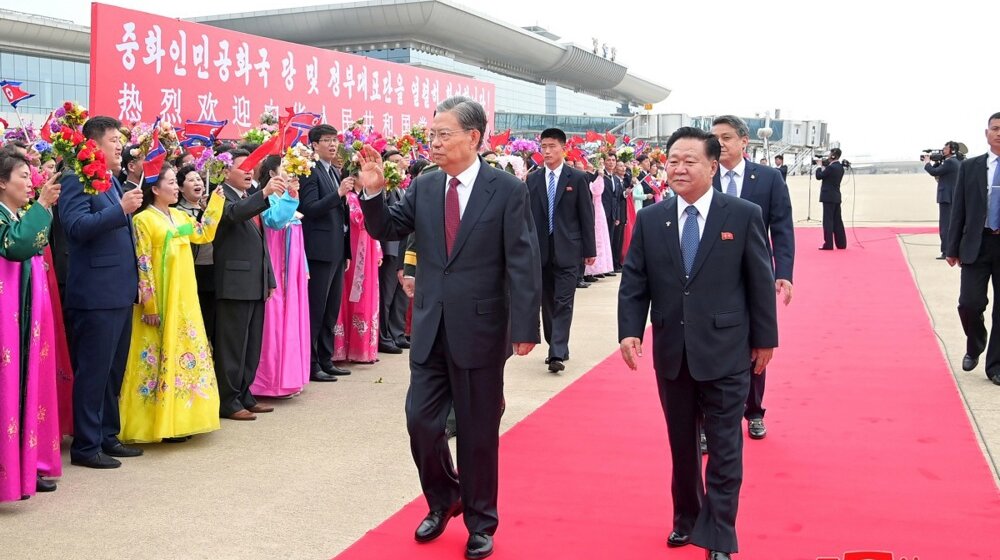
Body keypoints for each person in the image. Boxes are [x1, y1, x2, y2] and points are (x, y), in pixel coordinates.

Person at [357, 96, 541, 560]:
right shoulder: (423, 186)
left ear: (473, 137)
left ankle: (482, 522)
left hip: (481, 329)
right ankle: (445, 498)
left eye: (443, 134)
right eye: (432, 134)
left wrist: (525, 326)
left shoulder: (506, 189)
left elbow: (523, 260)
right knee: (421, 422)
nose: (433, 142)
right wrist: (375, 193)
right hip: (429, 325)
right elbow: (388, 228)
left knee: (479, 432)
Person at [618, 126, 777, 560]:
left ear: (712, 165)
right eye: (672, 160)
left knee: (725, 447)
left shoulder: (741, 214)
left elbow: (759, 282)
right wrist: (630, 329)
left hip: (727, 351)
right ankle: (686, 519)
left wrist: (766, 341)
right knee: (682, 445)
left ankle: (719, 534)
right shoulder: (653, 218)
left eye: (689, 161)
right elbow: (635, 280)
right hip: (672, 353)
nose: (679, 168)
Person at [60, 115, 145, 469]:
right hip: (94, 294)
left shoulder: (110, 181)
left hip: (118, 291)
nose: (119, 146)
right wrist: (119, 209)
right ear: (93, 143)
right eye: (113, 140)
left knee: (113, 370)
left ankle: (108, 435)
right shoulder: (76, 179)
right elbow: (75, 227)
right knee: (94, 372)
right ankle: (86, 446)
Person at [118, 165, 225, 442]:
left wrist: (216, 201)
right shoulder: (143, 221)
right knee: (156, 355)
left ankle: (182, 418)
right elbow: (142, 263)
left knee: (184, 349)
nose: (176, 187)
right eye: (170, 183)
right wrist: (150, 304)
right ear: (154, 189)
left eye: (176, 183)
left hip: (184, 296)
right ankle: (158, 421)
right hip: (161, 297)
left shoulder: (178, 216)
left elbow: (204, 233)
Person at [712, 115, 795, 439]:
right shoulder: (706, 175)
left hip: (754, 277)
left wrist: (783, 273)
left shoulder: (769, 178)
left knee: (756, 344)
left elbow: (783, 229)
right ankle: (709, 420)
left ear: (744, 141)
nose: (719, 143)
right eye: (715, 137)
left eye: (726, 137)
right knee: (711, 348)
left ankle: (754, 410)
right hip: (711, 276)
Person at [0, 152, 63, 501]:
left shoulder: (17, 213)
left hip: (21, 316)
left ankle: (25, 466)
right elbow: (17, 246)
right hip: (6, 320)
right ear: (1, 182)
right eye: (23, 176)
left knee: (24, 387)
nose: (30, 182)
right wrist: (42, 206)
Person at [212, 149, 283, 421]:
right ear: (226, 171)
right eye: (243, 167)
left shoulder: (246, 196)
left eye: (252, 166)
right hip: (233, 282)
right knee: (232, 345)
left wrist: (269, 278)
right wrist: (263, 194)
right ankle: (228, 400)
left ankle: (245, 393)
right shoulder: (220, 195)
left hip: (255, 281)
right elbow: (232, 215)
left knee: (252, 343)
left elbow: (261, 244)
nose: (249, 171)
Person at [527, 128, 596, 373]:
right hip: (541, 251)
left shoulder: (576, 178)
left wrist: (590, 249)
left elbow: (586, 216)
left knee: (564, 301)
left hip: (569, 250)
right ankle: (555, 341)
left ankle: (556, 350)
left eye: (552, 146)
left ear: (562, 147)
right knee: (547, 302)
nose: (547, 151)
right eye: (543, 146)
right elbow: (528, 218)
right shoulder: (533, 179)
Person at [946, 112, 1000, 382]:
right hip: (976, 245)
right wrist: (951, 247)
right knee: (969, 303)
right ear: (987, 132)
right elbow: (959, 209)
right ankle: (975, 344)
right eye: (995, 128)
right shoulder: (971, 167)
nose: (999, 133)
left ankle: (996, 365)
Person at [251, 155, 310, 398]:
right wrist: (290, 197)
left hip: (292, 271)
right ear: (273, 173)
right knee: (274, 321)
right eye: (284, 168)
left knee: (292, 318)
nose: (289, 173)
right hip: (275, 266)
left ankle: (290, 377)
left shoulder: (288, 198)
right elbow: (275, 222)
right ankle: (269, 381)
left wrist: (303, 266)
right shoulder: (268, 199)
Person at [300, 124, 353, 381]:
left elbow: (343, 217)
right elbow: (309, 207)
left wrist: (347, 252)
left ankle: (325, 358)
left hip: (336, 251)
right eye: (327, 140)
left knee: (332, 309)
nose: (333, 144)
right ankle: (311, 364)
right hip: (318, 251)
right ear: (314, 145)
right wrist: (338, 193)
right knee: (316, 309)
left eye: (335, 140)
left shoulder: (334, 171)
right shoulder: (309, 171)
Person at [332, 174, 384, 364]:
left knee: (368, 294)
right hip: (356, 251)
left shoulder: (363, 197)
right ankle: (347, 346)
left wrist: (378, 251)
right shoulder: (352, 198)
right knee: (355, 296)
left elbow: (375, 227)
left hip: (368, 249)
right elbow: (360, 220)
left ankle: (365, 347)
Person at [378, 149, 409, 354]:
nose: (400, 164)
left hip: (404, 249)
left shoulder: (403, 189)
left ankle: (397, 333)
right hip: (391, 248)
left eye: (401, 161)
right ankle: (384, 336)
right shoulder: (387, 188)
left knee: (401, 295)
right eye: (394, 162)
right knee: (387, 295)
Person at [924, 141, 961, 260]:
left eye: (945, 149)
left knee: (945, 225)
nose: (943, 151)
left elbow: (934, 172)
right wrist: (936, 162)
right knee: (950, 224)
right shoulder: (955, 161)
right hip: (952, 196)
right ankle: (950, 250)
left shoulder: (950, 162)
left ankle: (946, 251)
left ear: (952, 150)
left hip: (947, 197)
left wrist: (927, 163)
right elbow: (939, 170)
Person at [816, 148, 846, 250]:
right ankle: (841, 243)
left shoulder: (831, 168)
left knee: (828, 221)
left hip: (828, 197)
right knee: (837, 220)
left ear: (833, 155)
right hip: (836, 196)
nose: (829, 156)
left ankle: (828, 244)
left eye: (830, 154)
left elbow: (819, 176)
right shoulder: (840, 167)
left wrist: (819, 166)